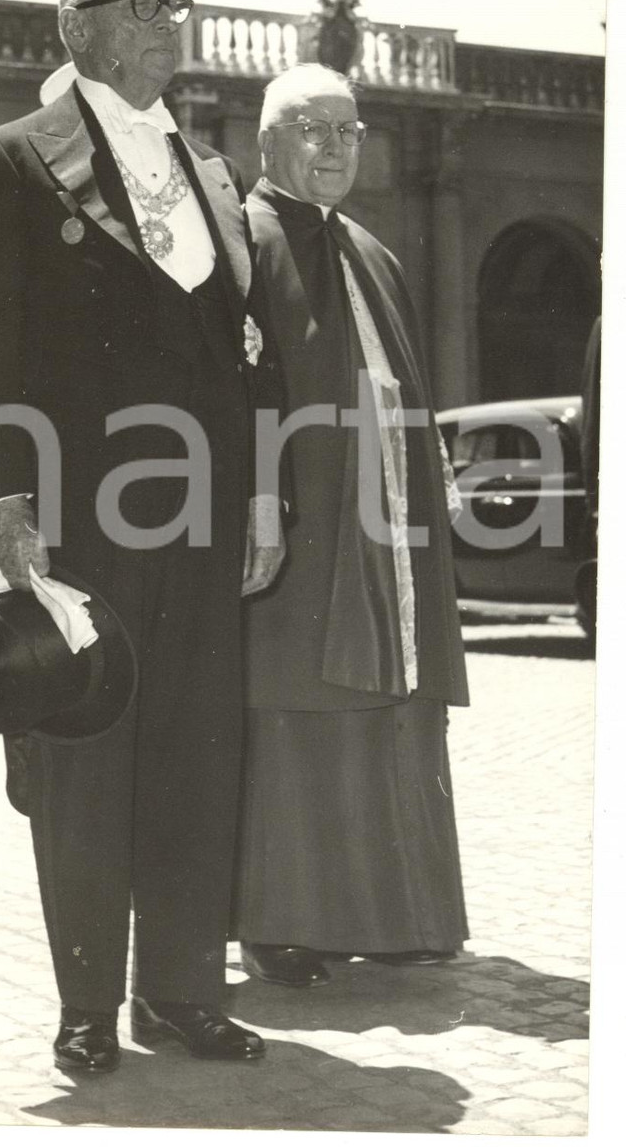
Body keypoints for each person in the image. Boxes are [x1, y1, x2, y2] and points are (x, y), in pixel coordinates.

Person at [0, 0, 287, 1072]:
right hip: (77, 514)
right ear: (76, 28)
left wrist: (266, 487)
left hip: (205, 508)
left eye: (175, 3)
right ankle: (86, 1004)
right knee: (87, 755)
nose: (169, 22)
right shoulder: (9, 160)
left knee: (197, 749)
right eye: (142, 5)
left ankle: (178, 991)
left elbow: (251, 351)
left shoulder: (214, 172)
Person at [235, 64, 469, 988]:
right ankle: (284, 919)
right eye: (313, 129)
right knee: (299, 713)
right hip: (303, 524)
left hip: (392, 529)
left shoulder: (376, 252)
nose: (335, 148)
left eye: (350, 131)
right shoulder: (239, 241)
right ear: (267, 140)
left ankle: (398, 912)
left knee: (395, 716)